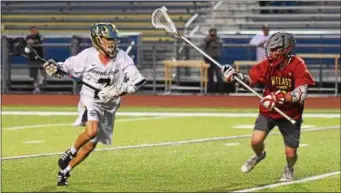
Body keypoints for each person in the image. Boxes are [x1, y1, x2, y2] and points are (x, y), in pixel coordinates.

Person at [42, 23, 146, 186]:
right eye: (108, 39)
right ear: (98, 39)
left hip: (109, 105)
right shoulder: (87, 56)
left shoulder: (122, 57)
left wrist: (117, 91)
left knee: (91, 145)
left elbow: (138, 82)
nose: (112, 43)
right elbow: (66, 67)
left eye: (114, 39)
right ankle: (71, 152)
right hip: (90, 100)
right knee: (92, 131)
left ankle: (65, 171)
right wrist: (56, 69)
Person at [222, 31, 315, 182]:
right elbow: (250, 80)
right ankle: (259, 155)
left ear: (285, 49)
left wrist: (278, 98)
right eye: (270, 49)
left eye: (274, 49)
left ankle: (289, 168)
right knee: (255, 141)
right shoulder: (267, 65)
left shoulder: (298, 64)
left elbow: (301, 93)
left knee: (291, 154)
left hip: (290, 115)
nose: (270, 53)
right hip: (269, 111)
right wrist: (236, 77)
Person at [201, 28, 224, 94]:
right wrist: (208, 41)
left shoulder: (218, 39)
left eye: (214, 33)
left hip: (216, 58)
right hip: (208, 58)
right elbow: (202, 45)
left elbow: (220, 44)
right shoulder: (206, 39)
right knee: (209, 75)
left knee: (218, 74)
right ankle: (211, 91)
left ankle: (221, 91)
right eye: (211, 33)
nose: (213, 35)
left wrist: (215, 42)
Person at [26, 26, 46, 93]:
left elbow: (40, 41)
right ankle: (36, 87)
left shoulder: (40, 36)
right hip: (32, 58)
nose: (35, 31)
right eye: (33, 30)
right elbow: (27, 42)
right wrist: (30, 42)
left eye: (36, 30)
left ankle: (41, 82)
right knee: (34, 75)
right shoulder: (28, 37)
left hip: (40, 57)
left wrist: (33, 42)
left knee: (43, 71)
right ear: (31, 31)